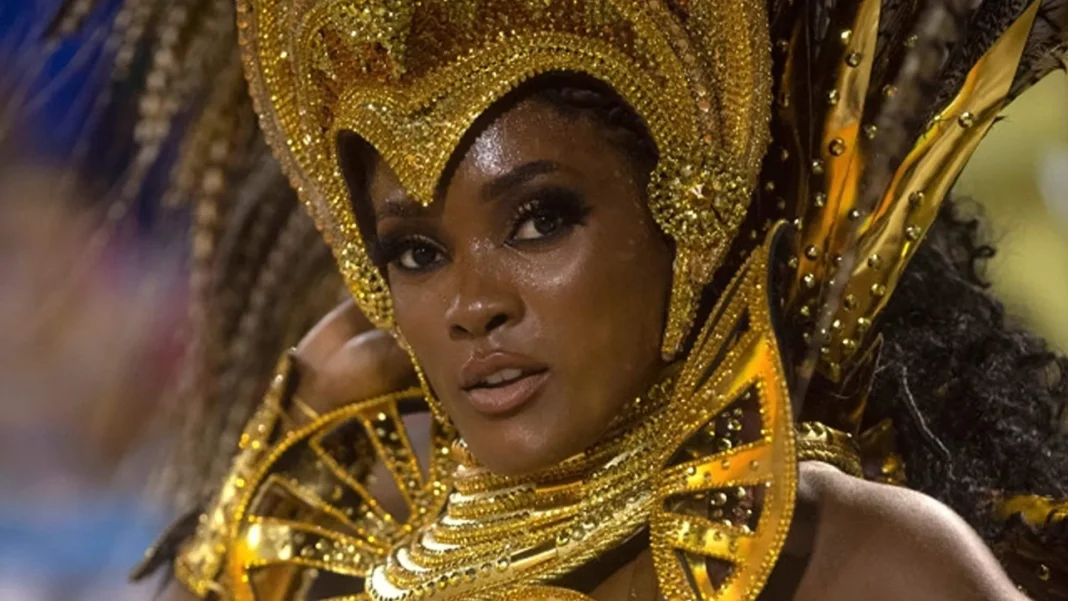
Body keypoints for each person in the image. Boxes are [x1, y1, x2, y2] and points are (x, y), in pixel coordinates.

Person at [34, 0, 1068, 599]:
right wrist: (268, 491)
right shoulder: (373, 560)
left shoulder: (859, 557)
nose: (472, 303)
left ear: (685, 215)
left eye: (538, 220)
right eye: (417, 252)